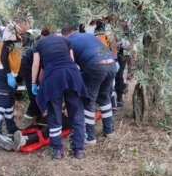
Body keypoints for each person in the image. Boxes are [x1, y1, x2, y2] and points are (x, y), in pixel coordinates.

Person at [31, 30, 89, 159]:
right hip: (72, 75)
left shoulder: (39, 43)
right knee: (76, 112)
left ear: (43, 36)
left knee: (54, 113)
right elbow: (72, 60)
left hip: (53, 78)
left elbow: (36, 64)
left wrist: (33, 82)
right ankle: (78, 150)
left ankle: (57, 150)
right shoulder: (66, 41)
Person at [62, 25, 117, 145]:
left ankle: (90, 137)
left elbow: (71, 66)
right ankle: (110, 131)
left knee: (89, 100)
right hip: (111, 64)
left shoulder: (68, 41)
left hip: (95, 66)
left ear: (65, 35)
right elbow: (100, 50)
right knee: (104, 98)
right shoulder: (88, 36)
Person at [0, 16, 31, 150]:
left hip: (9, 73)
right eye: (29, 24)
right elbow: (3, 56)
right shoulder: (11, 34)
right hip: (3, 72)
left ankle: (11, 129)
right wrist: (8, 74)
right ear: (22, 23)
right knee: (2, 102)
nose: (29, 27)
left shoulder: (13, 32)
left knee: (9, 102)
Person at [19, 28, 50, 125]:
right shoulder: (41, 44)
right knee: (35, 94)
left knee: (37, 93)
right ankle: (34, 118)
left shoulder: (40, 42)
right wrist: (35, 82)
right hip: (28, 66)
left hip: (29, 64)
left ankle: (32, 114)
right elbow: (38, 65)